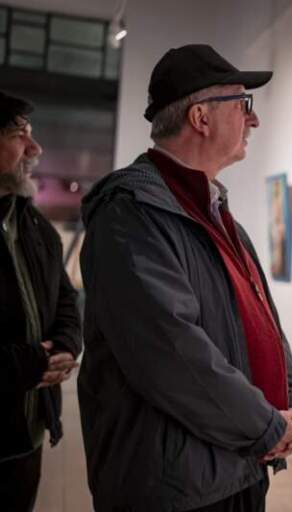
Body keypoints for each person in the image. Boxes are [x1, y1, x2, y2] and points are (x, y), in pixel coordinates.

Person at [77, 45, 292, 512]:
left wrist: (291, 405)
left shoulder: (219, 219)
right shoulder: (131, 216)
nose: (254, 120)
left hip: (237, 467)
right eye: (243, 105)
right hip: (177, 488)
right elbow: (173, 352)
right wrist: (265, 426)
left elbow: (264, 323)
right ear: (201, 117)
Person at [0, 92, 82, 511]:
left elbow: (66, 298)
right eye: (20, 135)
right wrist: (30, 364)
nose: (36, 149)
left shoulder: (33, 226)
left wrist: (66, 345)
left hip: (26, 439)